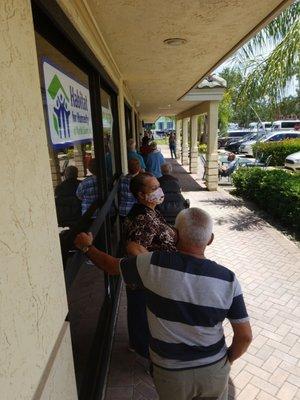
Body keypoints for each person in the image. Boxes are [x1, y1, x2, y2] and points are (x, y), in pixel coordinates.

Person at [74, 208, 252, 400]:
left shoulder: (152, 264)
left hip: (170, 371)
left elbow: (110, 265)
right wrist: (226, 361)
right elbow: (245, 336)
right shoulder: (228, 280)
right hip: (213, 370)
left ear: (174, 235)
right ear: (210, 239)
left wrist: (87, 247)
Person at [123, 172, 177, 359]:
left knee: (139, 315)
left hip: (146, 279)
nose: (159, 190)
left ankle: (139, 345)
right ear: (140, 194)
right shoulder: (142, 218)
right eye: (153, 188)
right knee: (144, 317)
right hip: (146, 281)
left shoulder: (149, 210)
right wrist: (156, 273)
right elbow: (135, 249)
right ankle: (148, 355)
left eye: (158, 186)